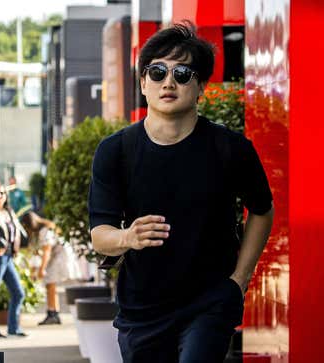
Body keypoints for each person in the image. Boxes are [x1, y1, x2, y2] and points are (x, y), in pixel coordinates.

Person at [88, 22, 274, 362]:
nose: (169, 82)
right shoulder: (116, 151)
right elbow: (100, 235)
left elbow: (262, 209)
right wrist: (127, 237)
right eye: (157, 72)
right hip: (142, 311)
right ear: (143, 83)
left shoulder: (230, 149)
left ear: (201, 85)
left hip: (210, 301)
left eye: (183, 73)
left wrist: (239, 279)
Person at [0, 184, 27, 338]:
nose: (0, 195)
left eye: (3, 193)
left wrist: (16, 247)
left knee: (18, 293)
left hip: (8, 258)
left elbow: (17, 231)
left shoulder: (9, 212)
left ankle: (13, 328)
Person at [20, 211, 63, 325]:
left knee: (50, 286)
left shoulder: (45, 230)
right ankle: (54, 313)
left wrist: (41, 269)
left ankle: (52, 313)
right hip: (54, 257)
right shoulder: (42, 230)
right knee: (51, 286)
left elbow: (47, 252)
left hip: (56, 257)